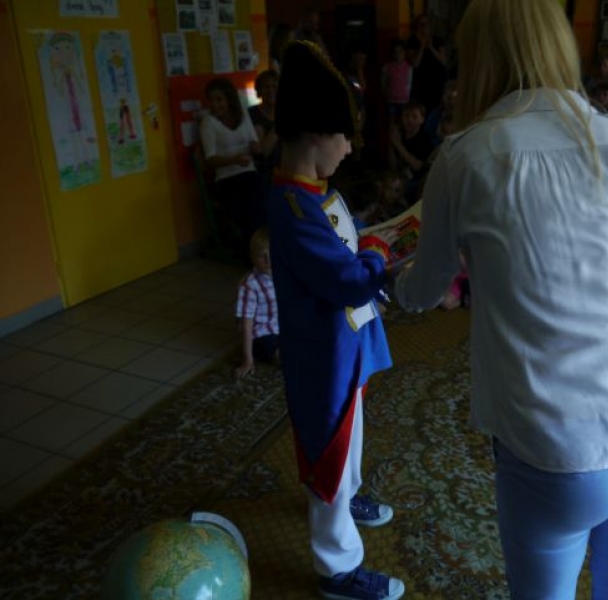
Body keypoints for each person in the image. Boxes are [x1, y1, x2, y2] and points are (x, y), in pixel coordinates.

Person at [391, 1, 608, 598]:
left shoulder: (465, 154)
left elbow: (423, 292)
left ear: (479, 59)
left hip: (556, 450)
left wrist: (395, 275)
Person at [269, 40, 404, 600]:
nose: (349, 148)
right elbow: (345, 278)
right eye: (344, 136)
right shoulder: (293, 208)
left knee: (347, 443)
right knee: (331, 452)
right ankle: (337, 569)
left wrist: (370, 246)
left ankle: (345, 500)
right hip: (324, 358)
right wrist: (378, 250)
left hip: (343, 347)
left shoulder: (312, 194)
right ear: (315, 134)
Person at [200, 77, 265, 256]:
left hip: (249, 173)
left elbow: (254, 143)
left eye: (219, 99)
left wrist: (256, 146)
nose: (215, 105)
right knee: (246, 203)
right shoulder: (208, 123)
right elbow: (210, 160)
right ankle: (252, 251)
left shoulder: (242, 115)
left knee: (259, 193)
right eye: (211, 100)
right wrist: (234, 160)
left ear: (229, 99)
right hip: (226, 178)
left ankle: (262, 248)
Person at [234, 228, 279, 377]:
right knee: (285, 357)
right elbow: (246, 326)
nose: (268, 260)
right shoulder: (249, 285)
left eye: (271, 254)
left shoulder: (282, 275)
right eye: (262, 256)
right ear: (252, 257)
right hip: (262, 334)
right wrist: (248, 360)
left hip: (282, 328)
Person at [248, 70, 280, 176]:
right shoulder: (252, 114)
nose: (271, 90)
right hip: (265, 172)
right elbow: (263, 152)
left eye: (274, 86)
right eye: (266, 87)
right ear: (259, 91)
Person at [381, 39, 413, 118]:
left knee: (403, 120)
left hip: (404, 101)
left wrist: (406, 96)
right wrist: (387, 94)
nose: (398, 54)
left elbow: (409, 84)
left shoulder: (409, 67)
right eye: (395, 51)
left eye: (400, 51)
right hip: (391, 100)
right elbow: (383, 83)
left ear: (404, 52)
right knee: (392, 120)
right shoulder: (387, 67)